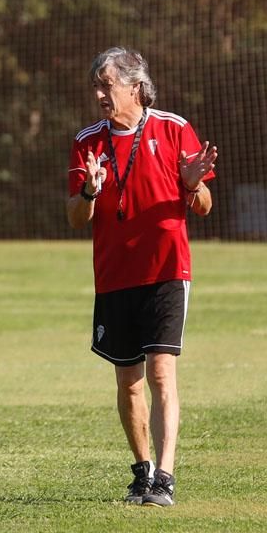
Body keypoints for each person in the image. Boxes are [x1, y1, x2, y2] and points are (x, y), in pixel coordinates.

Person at [66, 47, 218, 507]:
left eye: (106, 85)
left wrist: (192, 183)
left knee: (160, 371)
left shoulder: (173, 129)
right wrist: (90, 190)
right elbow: (76, 218)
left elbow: (205, 206)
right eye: (96, 86)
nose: (99, 94)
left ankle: (166, 476)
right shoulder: (87, 141)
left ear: (135, 86)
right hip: (114, 275)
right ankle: (142, 472)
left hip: (168, 270)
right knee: (127, 380)